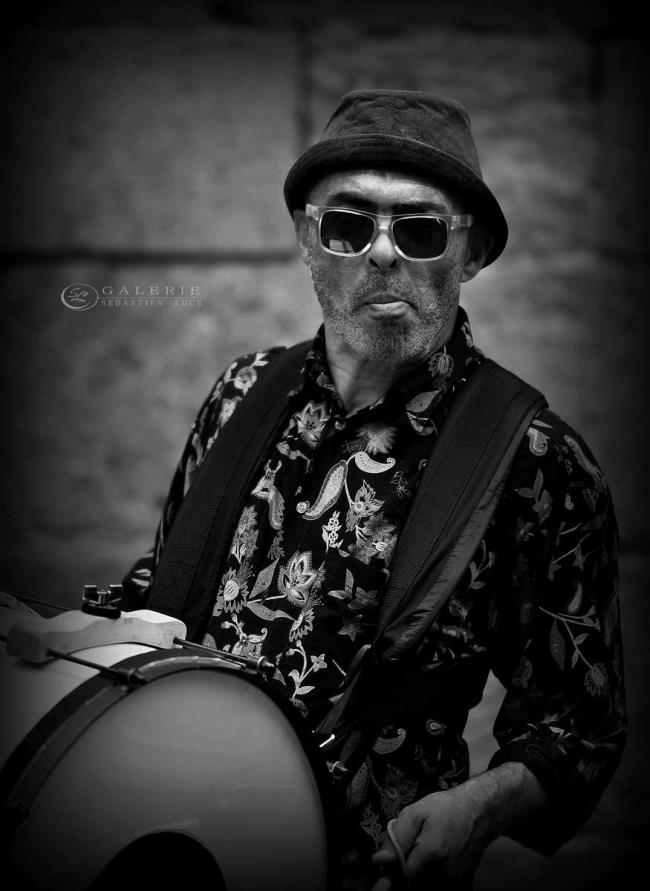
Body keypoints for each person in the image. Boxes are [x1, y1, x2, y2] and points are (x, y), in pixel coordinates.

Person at [122, 90, 626, 890]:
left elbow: (579, 728)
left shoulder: (539, 459)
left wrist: (477, 808)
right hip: (177, 853)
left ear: (474, 253)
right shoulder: (238, 392)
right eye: (349, 224)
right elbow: (158, 597)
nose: (381, 253)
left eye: (420, 229)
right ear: (306, 241)